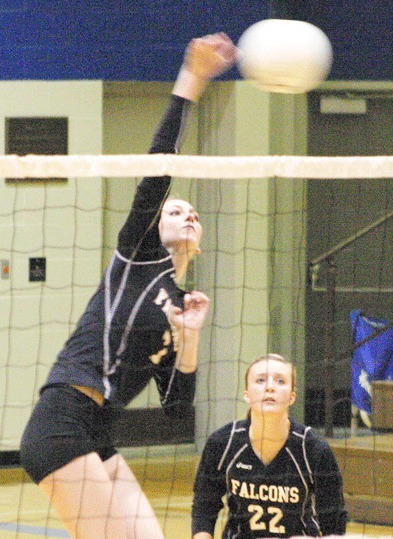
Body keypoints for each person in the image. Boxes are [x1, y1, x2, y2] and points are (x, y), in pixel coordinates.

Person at [19, 33, 237, 539]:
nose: (188, 215)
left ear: (199, 242)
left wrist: (191, 336)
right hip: (63, 421)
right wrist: (193, 80)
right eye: (176, 210)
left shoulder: (183, 303)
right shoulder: (140, 255)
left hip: (101, 433)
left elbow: (177, 409)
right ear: (153, 225)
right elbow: (158, 168)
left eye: (194, 214)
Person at [192, 354, 347, 538]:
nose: (270, 387)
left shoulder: (313, 449)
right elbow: (203, 509)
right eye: (260, 380)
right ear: (247, 395)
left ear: (292, 397)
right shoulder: (222, 443)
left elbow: (334, 524)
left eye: (280, 381)